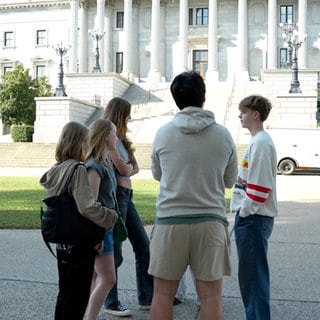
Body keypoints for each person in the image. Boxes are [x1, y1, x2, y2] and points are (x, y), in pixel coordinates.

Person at [149, 71, 238, 320]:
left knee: (163, 295)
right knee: (211, 295)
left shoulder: (163, 134)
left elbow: (158, 174)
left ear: (175, 98)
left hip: (170, 221)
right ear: (203, 96)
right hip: (210, 220)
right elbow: (230, 181)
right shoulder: (223, 135)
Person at [39, 121, 118, 320]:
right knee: (78, 296)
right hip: (79, 240)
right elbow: (87, 206)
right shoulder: (78, 169)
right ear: (80, 142)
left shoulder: (58, 168)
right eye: (86, 140)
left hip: (63, 239)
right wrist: (111, 216)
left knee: (65, 292)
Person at [102, 97, 153, 317]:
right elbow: (123, 170)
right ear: (119, 114)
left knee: (143, 245)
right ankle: (110, 301)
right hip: (116, 196)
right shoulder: (106, 135)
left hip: (127, 195)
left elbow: (134, 168)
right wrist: (127, 168)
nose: (130, 118)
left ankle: (147, 298)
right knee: (116, 251)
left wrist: (127, 167)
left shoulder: (121, 139)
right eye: (127, 114)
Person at [230, 95, 278, 320]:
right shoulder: (259, 141)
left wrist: (244, 211)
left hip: (254, 219)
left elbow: (260, 187)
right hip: (254, 218)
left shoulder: (260, 142)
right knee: (252, 278)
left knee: (253, 279)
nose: (240, 115)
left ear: (255, 114)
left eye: (244, 111)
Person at [85, 119, 118, 320]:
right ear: (105, 135)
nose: (117, 137)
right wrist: (95, 236)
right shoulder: (94, 166)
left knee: (95, 277)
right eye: (114, 133)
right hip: (100, 229)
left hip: (107, 227)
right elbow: (92, 205)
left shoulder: (106, 162)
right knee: (108, 279)